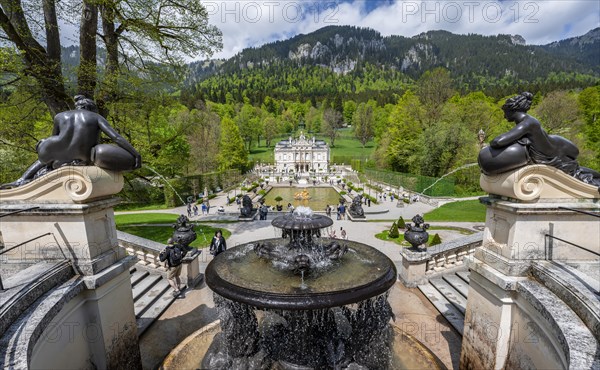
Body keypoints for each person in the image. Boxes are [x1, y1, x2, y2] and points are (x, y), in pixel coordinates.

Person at [1, 95, 141, 189]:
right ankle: (69, 162)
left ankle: (21, 179)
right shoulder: (95, 117)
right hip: (81, 155)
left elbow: (55, 137)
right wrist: (135, 154)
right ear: (91, 108)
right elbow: (116, 137)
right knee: (63, 153)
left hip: (51, 149)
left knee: (49, 155)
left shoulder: (60, 116)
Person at [478, 91, 600, 187]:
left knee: (578, 171)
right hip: (555, 146)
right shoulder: (528, 121)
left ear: (512, 110)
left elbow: (498, 142)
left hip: (558, 149)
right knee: (576, 168)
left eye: (505, 112)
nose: (504, 116)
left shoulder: (528, 123)